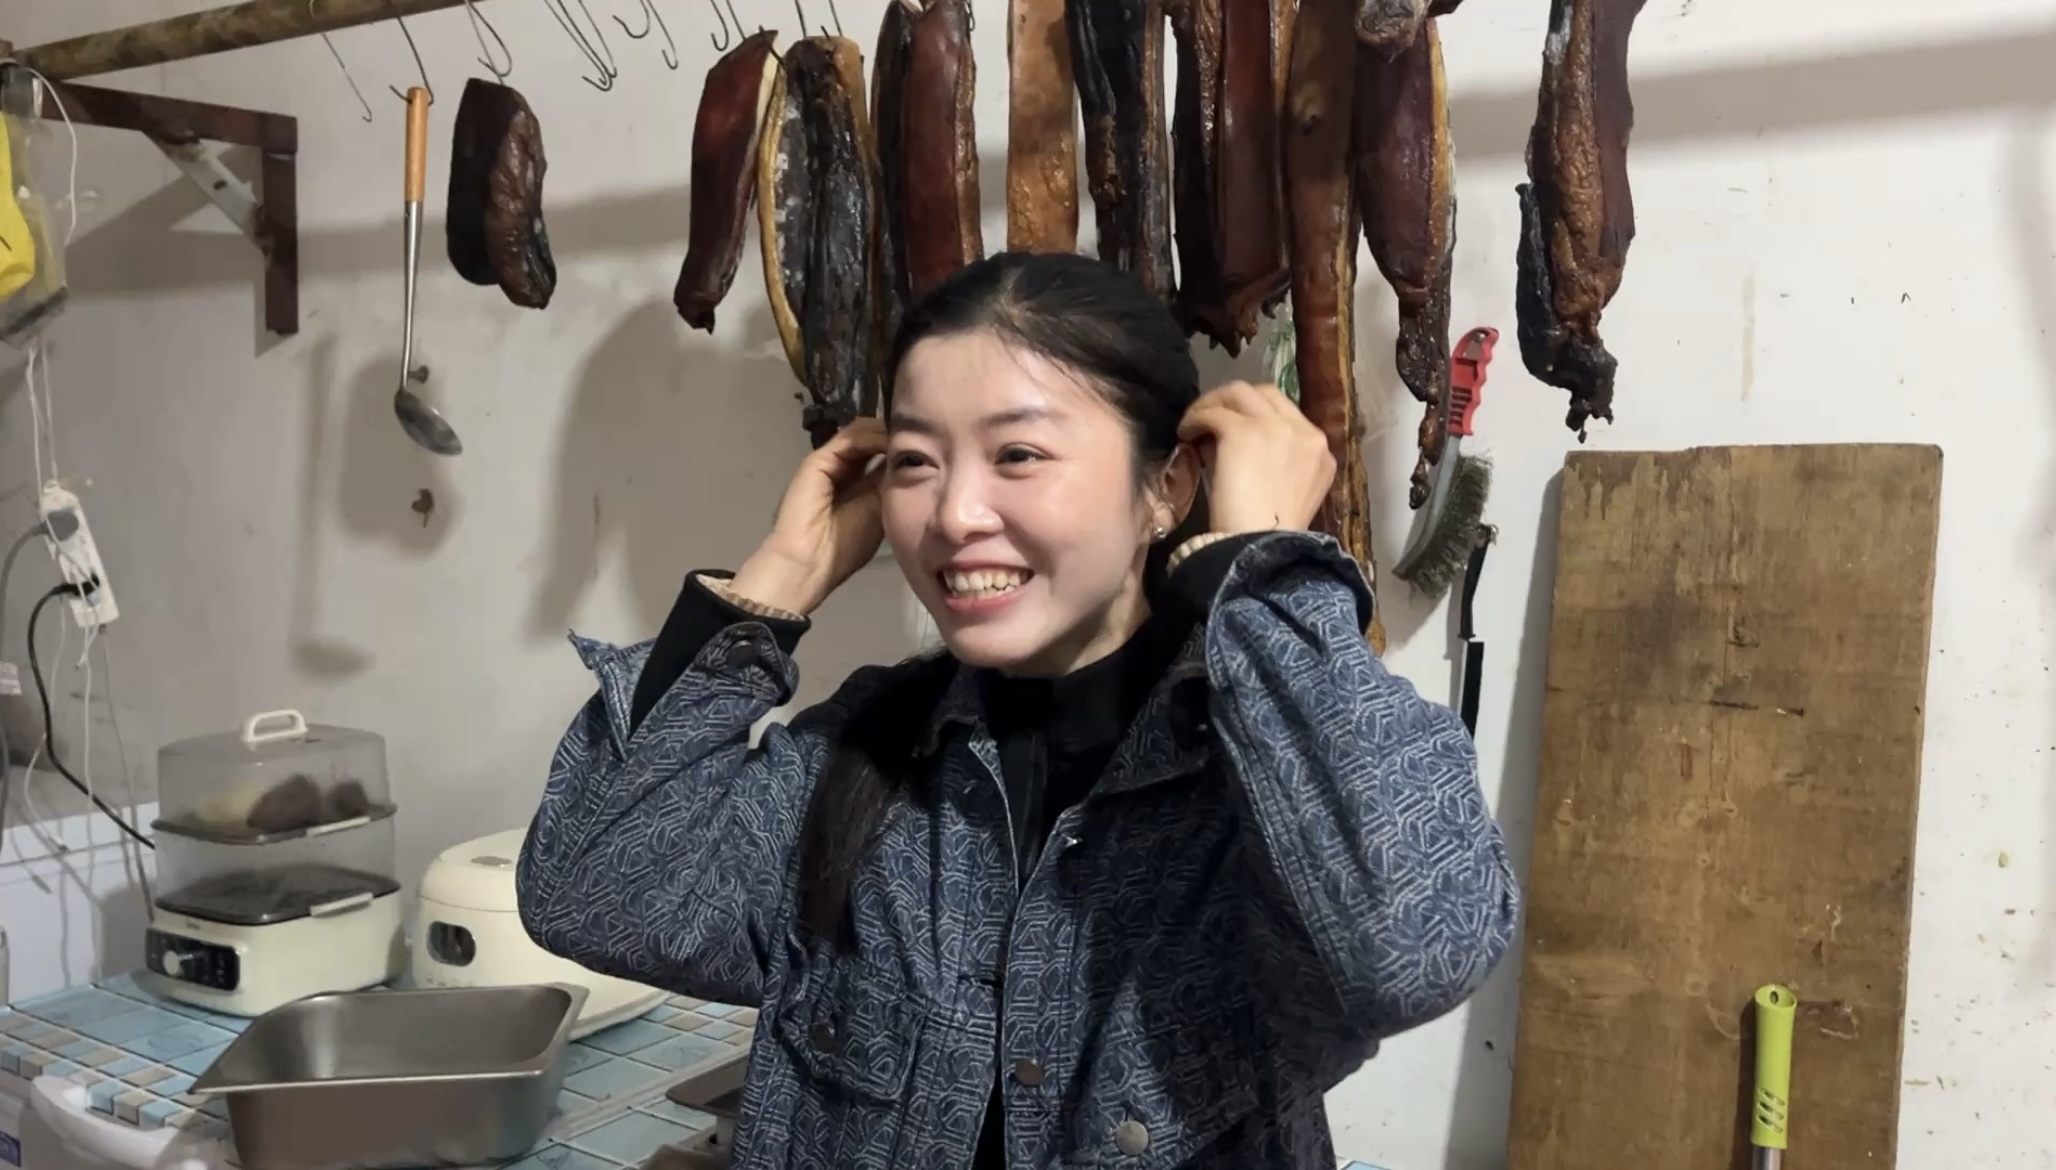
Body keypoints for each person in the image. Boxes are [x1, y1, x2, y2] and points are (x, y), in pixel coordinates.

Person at [517, 251, 1519, 1170]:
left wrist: (1255, 575)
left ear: (1165, 487)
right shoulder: (866, 752)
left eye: (1019, 455)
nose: (953, 515)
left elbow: (1414, 948)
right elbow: (595, 898)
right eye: (915, 461)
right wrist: (772, 585)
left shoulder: (1260, 778)